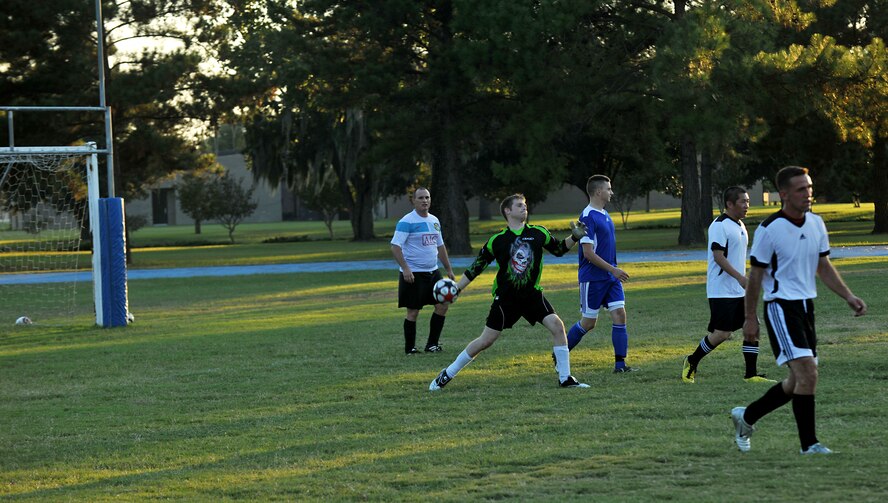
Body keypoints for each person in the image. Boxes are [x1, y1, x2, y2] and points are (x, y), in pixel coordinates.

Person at [730, 166, 866, 455]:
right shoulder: (770, 229)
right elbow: (755, 276)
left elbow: (823, 266)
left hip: (806, 308)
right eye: (801, 189)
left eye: (810, 188)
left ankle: (747, 417)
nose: (808, 194)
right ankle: (810, 445)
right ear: (784, 194)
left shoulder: (816, 223)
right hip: (780, 307)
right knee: (808, 375)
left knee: (797, 381)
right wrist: (750, 318)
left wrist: (848, 296)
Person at [429, 193, 590, 390]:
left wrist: (574, 237)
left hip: (532, 295)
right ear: (508, 210)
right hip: (506, 299)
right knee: (485, 341)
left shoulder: (539, 233)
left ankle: (565, 378)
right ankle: (447, 374)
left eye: (525, 205)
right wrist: (457, 289)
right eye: (520, 205)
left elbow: (558, 249)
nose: (524, 208)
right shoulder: (497, 240)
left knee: (557, 326)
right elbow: (476, 268)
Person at [682, 187, 776, 384]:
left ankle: (751, 374)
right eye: (743, 201)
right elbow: (718, 257)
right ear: (729, 204)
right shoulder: (719, 225)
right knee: (722, 334)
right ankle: (691, 360)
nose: (747, 205)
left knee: (753, 327)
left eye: (748, 201)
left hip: (738, 289)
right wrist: (740, 278)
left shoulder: (740, 225)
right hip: (721, 290)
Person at [563, 175, 637, 373]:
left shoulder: (604, 213)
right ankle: (560, 353)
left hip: (610, 278)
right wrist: (613, 269)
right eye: (609, 189)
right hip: (593, 278)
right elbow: (588, 253)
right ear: (598, 192)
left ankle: (620, 365)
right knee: (588, 323)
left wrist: (613, 271)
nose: (611, 192)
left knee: (620, 315)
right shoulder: (587, 217)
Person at [391, 187, 455, 355]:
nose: (424, 200)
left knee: (443, 305)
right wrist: (406, 268)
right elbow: (395, 246)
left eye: (427, 197)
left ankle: (432, 344)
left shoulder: (434, 220)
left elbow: (440, 246)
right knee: (413, 311)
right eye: (420, 198)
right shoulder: (407, 221)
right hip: (413, 274)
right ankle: (410, 348)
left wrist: (448, 269)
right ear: (414, 200)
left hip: (433, 272)